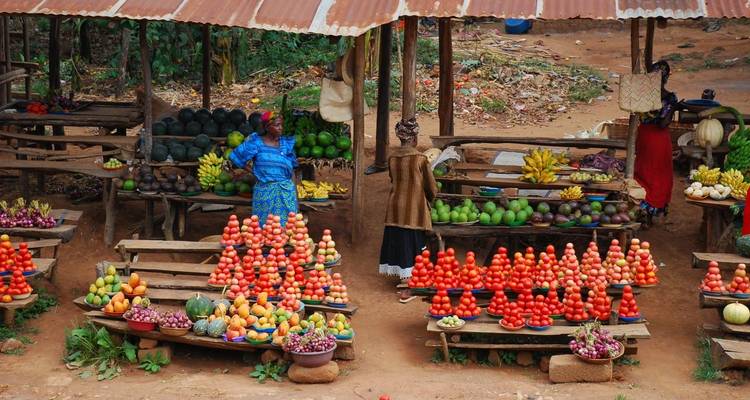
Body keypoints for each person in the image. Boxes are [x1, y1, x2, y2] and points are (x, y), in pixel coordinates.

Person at [378, 129, 438, 280]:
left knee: (398, 240)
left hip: (395, 206)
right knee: (412, 242)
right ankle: (411, 279)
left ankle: (402, 275)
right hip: (413, 207)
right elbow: (431, 187)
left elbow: (393, 179)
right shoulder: (420, 158)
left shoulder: (392, 158)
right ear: (414, 139)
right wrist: (430, 200)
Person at [229, 112, 298, 225]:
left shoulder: (286, 144)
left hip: (286, 192)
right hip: (264, 192)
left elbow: (292, 171)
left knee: (288, 228)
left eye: (281, 125)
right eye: (276, 125)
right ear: (267, 127)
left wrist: (294, 197)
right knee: (264, 227)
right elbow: (235, 157)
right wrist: (254, 171)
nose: (280, 128)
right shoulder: (256, 142)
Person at [634, 60, 678, 223]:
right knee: (660, 174)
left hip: (644, 135)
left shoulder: (642, 96)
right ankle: (655, 208)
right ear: (666, 77)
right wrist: (674, 108)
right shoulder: (669, 97)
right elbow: (663, 123)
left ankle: (642, 206)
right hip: (659, 139)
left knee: (643, 171)